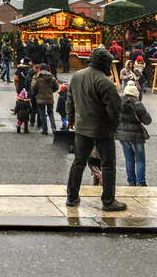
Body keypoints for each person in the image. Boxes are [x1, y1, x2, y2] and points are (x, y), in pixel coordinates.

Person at [65, 46, 125, 212]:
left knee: (78, 162)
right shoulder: (105, 82)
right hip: (102, 129)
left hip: (81, 125)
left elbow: (70, 99)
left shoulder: (77, 76)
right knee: (108, 165)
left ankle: (72, 197)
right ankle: (108, 200)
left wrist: (70, 118)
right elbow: (114, 108)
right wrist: (115, 125)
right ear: (104, 64)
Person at [117, 80, 152, 187]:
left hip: (122, 135)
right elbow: (148, 120)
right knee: (140, 160)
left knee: (129, 160)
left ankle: (131, 182)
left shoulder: (119, 103)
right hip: (136, 136)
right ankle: (141, 182)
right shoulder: (138, 105)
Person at [31, 63, 59, 134]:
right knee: (51, 112)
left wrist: (37, 92)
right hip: (49, 97)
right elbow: (57, 87)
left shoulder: (37, 77)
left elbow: (33, 87)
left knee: (42, 113)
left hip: (40, 98)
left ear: (40, 69)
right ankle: (54, 128)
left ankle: (45, 129)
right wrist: (51, 91)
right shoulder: (51, 77)